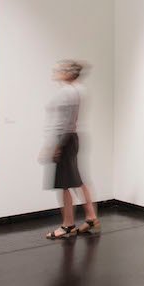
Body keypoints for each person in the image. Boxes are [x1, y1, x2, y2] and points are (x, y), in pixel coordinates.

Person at [44, 60, 99, 240]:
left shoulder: (68, 92)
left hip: (66, 139)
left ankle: (67, 225)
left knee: (65, 184)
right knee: (76, 180)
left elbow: (66, 122)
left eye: (61, 69)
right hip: (71, 138)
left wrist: (56, 146)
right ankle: (91, 217)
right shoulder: (78, 89)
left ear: (69, 73)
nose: (57, 71)